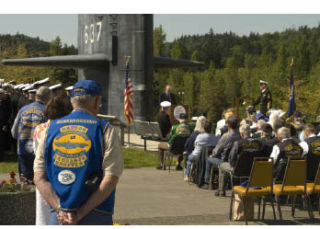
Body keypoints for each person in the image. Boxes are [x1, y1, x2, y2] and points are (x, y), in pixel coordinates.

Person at [33, 80, 124, 225]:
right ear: (96, 102)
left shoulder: (49, 129)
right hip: (96, 213)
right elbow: (111, 178)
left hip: (59, 217)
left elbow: (39, 177)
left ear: (72, 101)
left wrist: (61, 209)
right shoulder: (104, 129)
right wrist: (80, 213)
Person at [33, 96, 71, 225]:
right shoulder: (66, 129)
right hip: (60, 173)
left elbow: (35, 149)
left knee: (43, 212)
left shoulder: (39, 129)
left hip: (42, 172)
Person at [11, 86, 52, 182]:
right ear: (48, 98)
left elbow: (14, 132)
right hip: (39, 152)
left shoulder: (23, 110)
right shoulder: (47, 111)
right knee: (40, 182)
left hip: (22, 149)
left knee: (25, 183)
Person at [217, 124, 262, 196]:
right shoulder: (259, 143)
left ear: (241, 134)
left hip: (239, 171)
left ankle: (221, 191)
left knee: (222, 165)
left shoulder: (238, 143)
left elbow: (231, 158)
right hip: (254, 170)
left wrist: (233, 165)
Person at [203, 116, 241, 188]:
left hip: (224, 160)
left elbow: (217, 150)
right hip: (236, 160)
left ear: (228, 125)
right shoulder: (240, 135)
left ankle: (207, 181)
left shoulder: (226, 136)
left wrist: (212, 154)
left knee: (208, 159)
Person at [0, 89, 12, 161]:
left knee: (1, 141)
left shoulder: (4, 103)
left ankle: (1, 157)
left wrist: (4, 124)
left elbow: (4, 115)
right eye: (2, 94)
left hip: (2, 125)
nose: (4, 95)